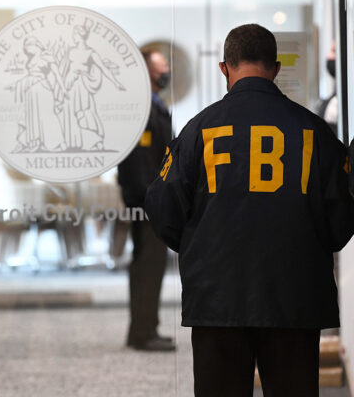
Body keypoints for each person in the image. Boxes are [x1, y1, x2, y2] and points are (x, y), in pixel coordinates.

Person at [145, 24, 354, 395]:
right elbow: (341, 222)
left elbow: (162, 208)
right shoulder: (314, 131)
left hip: (217, 297)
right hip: (295, 297)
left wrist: (198, 248)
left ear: (224, 68)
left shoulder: (199, 131)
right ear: (275, 69)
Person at [117, 49, 174, 351]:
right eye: (161, 65)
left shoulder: (154, 105)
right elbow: (139, 160)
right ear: (147, 71)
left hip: (152, 197)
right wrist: (148, 198)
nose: (166, 70)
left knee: (150, 265)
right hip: (146, 201)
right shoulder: (139, 108)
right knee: (147, 266)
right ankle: (142, 333)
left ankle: (145, 328)